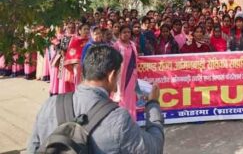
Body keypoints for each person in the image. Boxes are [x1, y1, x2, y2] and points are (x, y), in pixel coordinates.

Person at [27, 45, 164, 153]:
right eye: (118, 75)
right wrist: (153, 104)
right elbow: (154, 148)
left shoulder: (50, 104)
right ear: (111, 76)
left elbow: (33, 148)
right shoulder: (118, 118)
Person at [113, 25, 139, 120]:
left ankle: (132, 119)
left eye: (128, 32)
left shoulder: (132, 44)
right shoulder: (116, 45)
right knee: (121, 98)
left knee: (130, 98)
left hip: (132, 75)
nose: (127, 34)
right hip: (120, 77)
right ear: (119, 34)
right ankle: (122, 120)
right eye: (124, 32)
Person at [61, 23, 90, 93]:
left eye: (88, 29)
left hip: (89, 66)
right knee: (78, 84)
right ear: (79, 31)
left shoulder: (90, 41)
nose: (86, 31)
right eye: (84, 29)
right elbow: (71, 53)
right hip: (78, 66)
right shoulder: (75, 40)